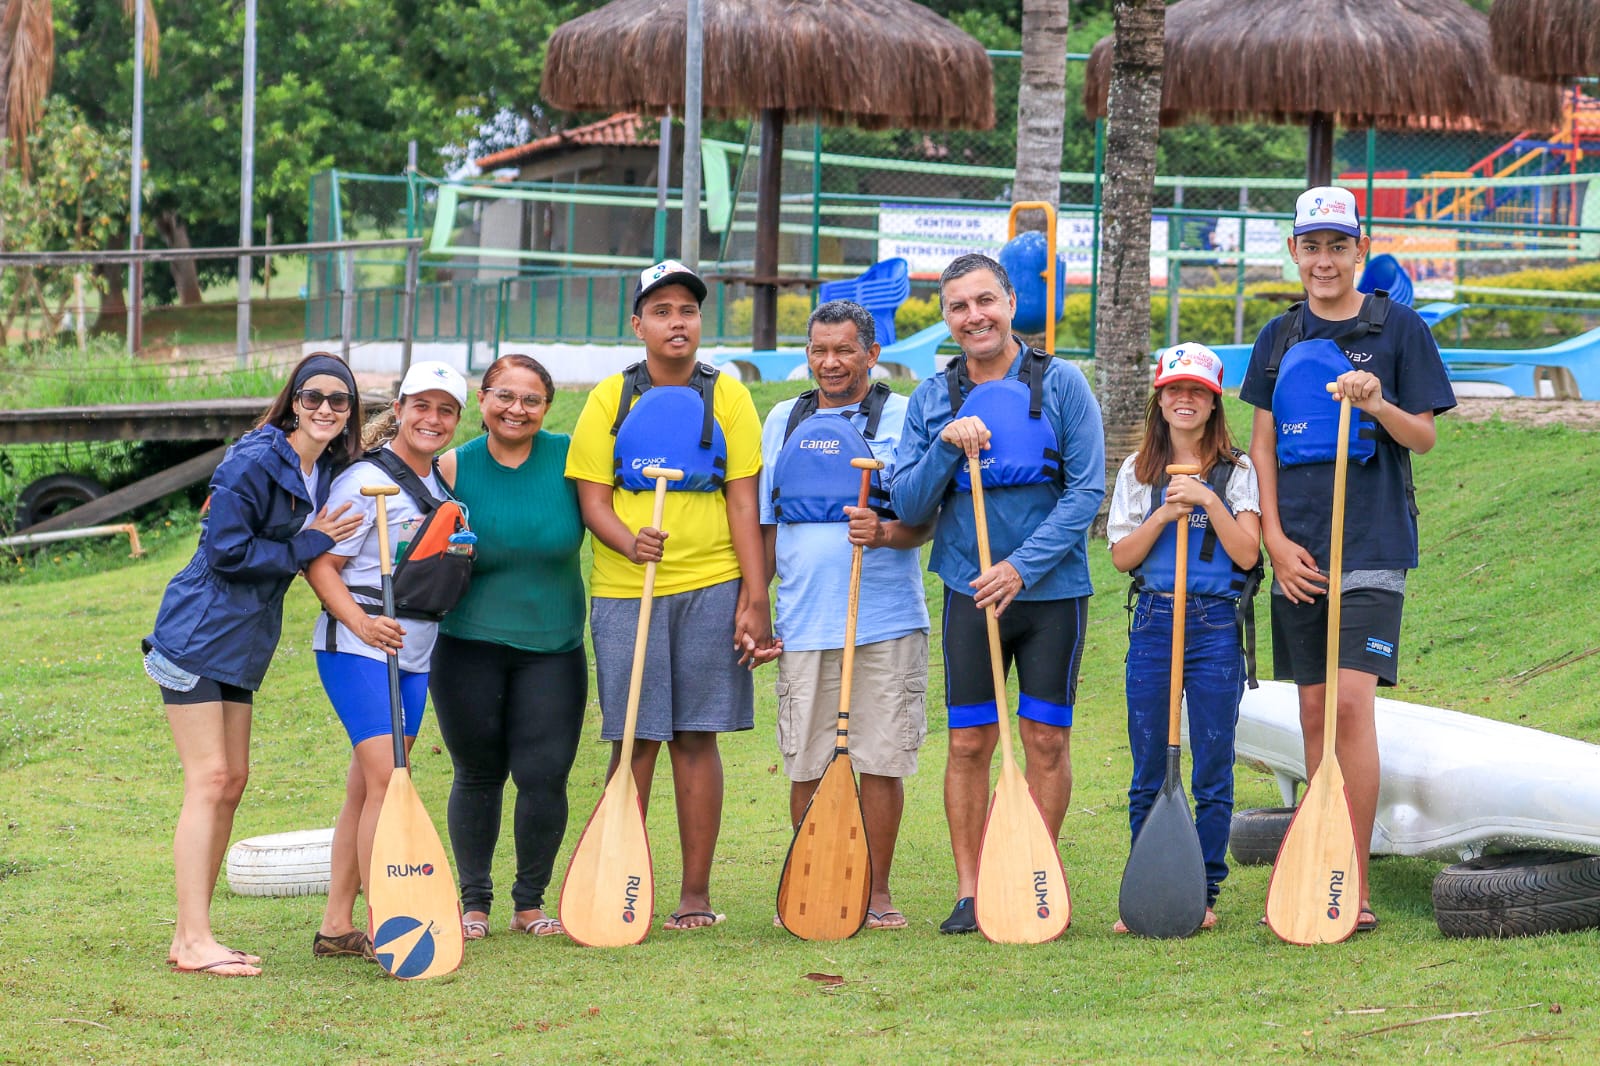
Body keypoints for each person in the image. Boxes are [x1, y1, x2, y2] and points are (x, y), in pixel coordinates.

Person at [1239, 186, 1455, 932]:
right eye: (1312, 245)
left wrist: (1375, 404)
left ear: (1358, 249)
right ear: (1294, 252)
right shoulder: (1277, 336)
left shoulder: (1398, 329)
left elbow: (1423, 436)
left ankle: (1351, 881)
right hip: (1298, 546)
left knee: (1352, 707)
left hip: (1370, 545)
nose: (1324, 260)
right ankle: (1316, 854)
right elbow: (1261, 448)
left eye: (1338, 245)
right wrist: (1273, 539)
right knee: (1309, 709)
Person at [891, 253, 1106, 935]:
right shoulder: (932, 398)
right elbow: (907, 499)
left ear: (1011, 303)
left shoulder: (1063, 384)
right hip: (967, 593)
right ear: (946, 318)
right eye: (958, 306)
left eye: (986, 300)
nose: (974, 316)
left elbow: (1086, 493)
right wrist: (948, 447)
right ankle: (973, 889)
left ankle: (1030, 871)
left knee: (1044, 739)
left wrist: (1021, 567)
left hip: (1051, 595)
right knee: (967, 744)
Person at [565, 259, 772, 931]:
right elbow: (593, 499)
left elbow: (744, 500)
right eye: (661, 311)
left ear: (698, 320)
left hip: (711, 583)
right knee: (634, 738)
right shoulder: (610, 397)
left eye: (686, 310)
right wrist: (628, 541)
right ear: (639, 324)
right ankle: (614, 880)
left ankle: (694, 895)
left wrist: (754, 594)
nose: (675, 321)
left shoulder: (729, 395)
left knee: (694, 735)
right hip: (629, 590)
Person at [144, 352, 364, 976]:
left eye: (338, 401)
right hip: (197, 633)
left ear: (349, 412)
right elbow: (226, 549)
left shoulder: (325, 466)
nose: (325, 408)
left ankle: (196, 931)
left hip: (243, 643)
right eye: (312, 397)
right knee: (209, 780)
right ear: (294, 400)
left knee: (233, 781)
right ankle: (191, 939)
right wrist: (310, 541)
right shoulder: (253, 459)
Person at [759, 300, 933, 930]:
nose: (829, 363)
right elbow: (764, 521)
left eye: (843, 350)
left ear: (871, 353)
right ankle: (816, 882)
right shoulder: (784, 418)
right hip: (804, 620)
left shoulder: (906, 416)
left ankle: (876, 891)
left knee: (880, 758)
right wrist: (757, 604)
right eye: (818, 351)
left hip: (884, 620)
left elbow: (926, 516)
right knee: (806, 760)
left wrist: (886, 532)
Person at [307, 360, 467, 958]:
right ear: (397, 410)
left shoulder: (442, 488)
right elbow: (320, 564)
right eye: (420, 406)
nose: (432, 419)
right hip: (358, 650)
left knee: (365, 789)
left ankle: (335, 925)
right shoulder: (363, 481)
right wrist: (363, 624)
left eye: (445, 409)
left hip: (416, 654)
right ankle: (387, 924)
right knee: (388, 780)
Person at [428, 354, 586, 940]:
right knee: (477, 773)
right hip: (468, 644)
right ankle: (474, 903)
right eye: (504, 396)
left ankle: (529, 902)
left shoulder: (570, 458)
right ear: (484, 399)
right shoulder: (450, 467)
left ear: (547, 407)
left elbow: (610, 514)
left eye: (531, 400)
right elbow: (412, 549)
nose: (516, 409)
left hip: (554, 645)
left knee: (545, 774)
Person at [1108, 342, 1261, 931]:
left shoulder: (1236, 471)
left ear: (1214, 402)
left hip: (1215, 623)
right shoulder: (1136, 472)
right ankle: (1147, 884)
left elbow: (1248, 552)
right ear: (1161, 399)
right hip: (1154, 619)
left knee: (1211, 766)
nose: (1186, 400)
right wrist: (1164, 514)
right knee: (1149, 761)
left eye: (1198, 391)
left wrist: (1205, 499)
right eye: (1176, 390)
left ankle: (1203, 893)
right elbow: (1122, 557)